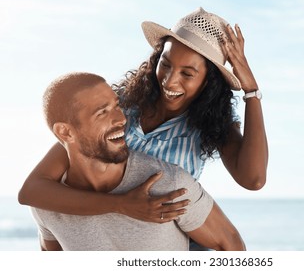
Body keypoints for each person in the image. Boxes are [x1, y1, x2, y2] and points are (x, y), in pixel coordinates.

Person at [19, 7, 268, 223]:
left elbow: (253, 180)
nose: (170, 81)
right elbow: (33, 190)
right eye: (166, 63)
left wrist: (251, 92)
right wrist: (121, 205)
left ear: (208, 82)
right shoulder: (117, 106)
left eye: (187, 74)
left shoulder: (211, 126)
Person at [30, 72, 245, 251]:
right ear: (65, 132)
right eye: (102, 113)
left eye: (117, 106)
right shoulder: (47, 207)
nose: (121, 119)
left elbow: (231, 245)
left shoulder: (169, 185)